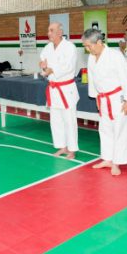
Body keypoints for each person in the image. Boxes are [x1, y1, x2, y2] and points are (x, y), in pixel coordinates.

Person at [82, 28, 127, 176]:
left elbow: (126, 78)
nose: (87, 49)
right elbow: (92, 79)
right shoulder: (92, 57)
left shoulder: (115, 56)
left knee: (120, 130)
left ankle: (117, 162)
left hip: (119, 97)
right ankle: (107, 158)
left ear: (99, 42)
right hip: (103, 98)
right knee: (105, 129)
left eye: (89, 46)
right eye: (85, 46)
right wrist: (96, 96)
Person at [40, 22, 79, 159]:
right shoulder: (47, 48)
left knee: (69, 120)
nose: (48, 33)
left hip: (66, 88)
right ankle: (62, 147)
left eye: (51, 30)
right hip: (53, 88)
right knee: (55, 120)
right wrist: (44, 68)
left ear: (60, 32)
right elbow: (43, 64)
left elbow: (68, 67)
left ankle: (72, 149)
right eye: (48, 30)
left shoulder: (70, 47)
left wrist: (52, 69)